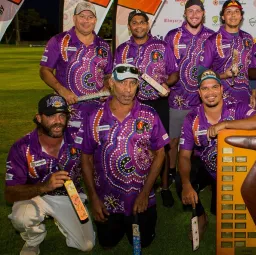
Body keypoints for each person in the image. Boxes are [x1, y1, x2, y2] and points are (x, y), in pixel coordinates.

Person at [77, 64, 169, 249]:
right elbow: (85, 157)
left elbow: (160, 154)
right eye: (122, 83)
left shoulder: (149, 114)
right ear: (111, 83)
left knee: (144, 242)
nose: (128, 90)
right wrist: (94, 198)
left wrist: (145, 193)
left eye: (133, 83)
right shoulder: (95, 116)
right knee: (108, 242)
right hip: (107, 200)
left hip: (140, 199)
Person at [178, 69, 256, 238]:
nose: (210, 93)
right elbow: (184, 155)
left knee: (223, 214)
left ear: (221, 89)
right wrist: (186, 185)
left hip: (233, 169)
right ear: (199, 93)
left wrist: (226, 125)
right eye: (205, 89)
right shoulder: (192, 118)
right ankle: (200, 215)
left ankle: (217, 194)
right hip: (208, 166)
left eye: (214, 87)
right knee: (182, 179)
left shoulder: (237, 107)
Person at [5, 94, 95, 255]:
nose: (58, 121)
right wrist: (44, 187)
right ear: (39, 118)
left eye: (62, 115)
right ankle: (33, 240)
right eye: (51, 116)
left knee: (86, 245)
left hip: (71, 196)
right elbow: (10, 194)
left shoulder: (76, 138)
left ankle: (61, 218)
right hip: (36, 195)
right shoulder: (22, 147)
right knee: (21, 217)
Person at [114, 9, 179, 207]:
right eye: (134, 23)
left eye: (142, 22)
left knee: (162, 147)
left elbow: (174, 73)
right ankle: (136, 185)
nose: (139, 26)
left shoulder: (162, 45)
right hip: (132, 104)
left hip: (158, 103)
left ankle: (165, 187)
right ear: (130, 26)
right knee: (133, 145)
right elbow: (115, 78)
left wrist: (167, 84)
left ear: (147, 24)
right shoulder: (122, 50)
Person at [164, 0, 214, 199]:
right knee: (174, 142)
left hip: (205, 102)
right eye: (190, 11)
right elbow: (168, 68)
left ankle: (203, 179)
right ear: (185, 14)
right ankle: (171, 180)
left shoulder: (211, 36)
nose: (194, 14)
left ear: (203, 13)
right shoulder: (172, 36)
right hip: (177, 100)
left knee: (205, 140)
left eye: (198, 11)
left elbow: (215, 68)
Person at [39, 2, 113, 121]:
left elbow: (108, 73)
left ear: (95, 20)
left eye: (90, 17)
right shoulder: (58, 41)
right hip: (68, 110)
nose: (86, 21)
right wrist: (61, 90)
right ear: (74, 18)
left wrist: (106, 86)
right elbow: (44, 70)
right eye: (82, 16)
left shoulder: (104, 45)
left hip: (98, 110)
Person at [198, 0, 254, 104]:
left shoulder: (248, 38)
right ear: (223, 17)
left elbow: (251, 70)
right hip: (221, 101)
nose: (233, 15)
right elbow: (201, 73)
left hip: (245, 100)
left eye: (237, 11)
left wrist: (253, 94)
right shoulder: (212, 40)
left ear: (241, 16)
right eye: (228, 11)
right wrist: (224, 75)